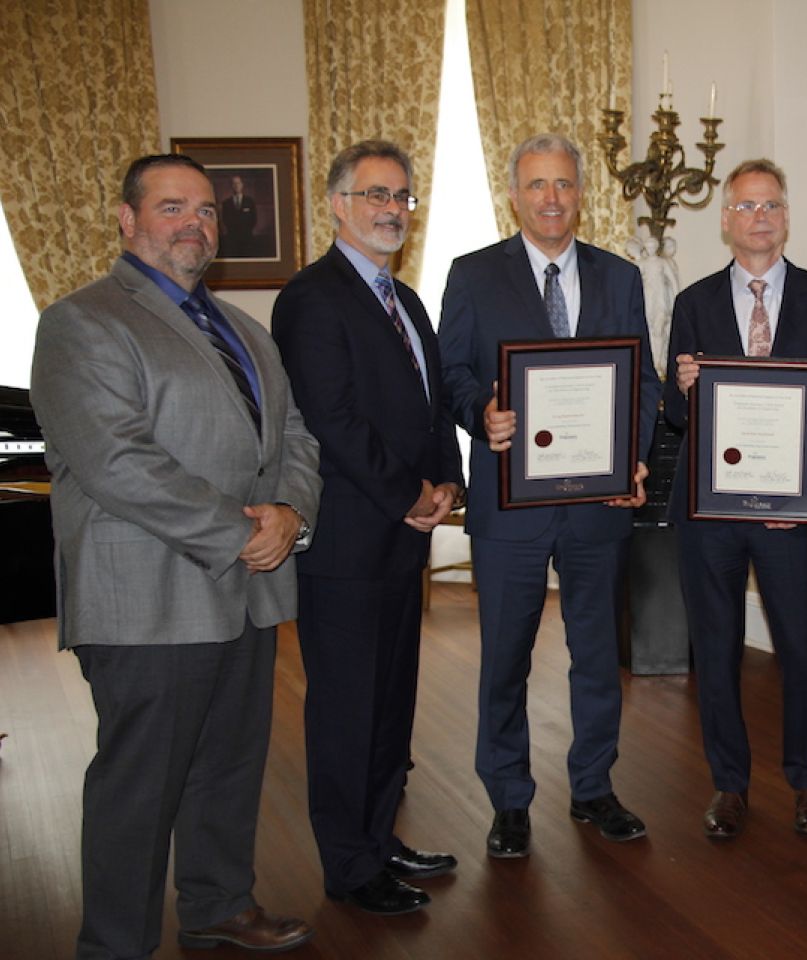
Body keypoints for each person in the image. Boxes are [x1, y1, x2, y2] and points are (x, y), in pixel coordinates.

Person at [30, 154, 321, 958]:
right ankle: (115, 944)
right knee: (139, 786)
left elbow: (295, 438)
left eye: (205, 210)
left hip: (248, 592)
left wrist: (291, 514)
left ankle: (218, 904)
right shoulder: (82, 322)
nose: (194, 222)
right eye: (171, 207)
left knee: (230, 764)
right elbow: (116, 461)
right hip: (148, 598)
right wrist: (241, 531)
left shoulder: (244, 331)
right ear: (127, 219)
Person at [438, 132, 662, 859]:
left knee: (597, 656)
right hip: (510, 506)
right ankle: (508, 799)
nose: (552, 198)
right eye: (537, 184)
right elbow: (450, 373)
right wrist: (482, 413)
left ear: (581, 193)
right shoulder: (473, 275)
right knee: (505, 658)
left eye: (564, 183)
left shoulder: (619, 278)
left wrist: (632, 459)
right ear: (514, 195)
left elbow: (644, 382)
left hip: (598, 505)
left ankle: (594, 787)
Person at [271, 140, 464, 916]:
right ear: (337, 205)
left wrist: (447, 480)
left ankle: (380, 838)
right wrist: (407, 492)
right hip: (348, 545)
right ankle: (349, 867)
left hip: (402, 538)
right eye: (376, 194)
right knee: (347, 712)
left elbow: (432, 407)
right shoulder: (311, 299)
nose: (392, 209)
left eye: (402, 196)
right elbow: (332, 420)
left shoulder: (405, 299)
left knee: (390, 705)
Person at [666, 159, 807, 840]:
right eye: (746, 206)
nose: (759, 217)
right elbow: (674, 415)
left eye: (770, 205)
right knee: (716, 650)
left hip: (789, 514)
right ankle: (729, 785)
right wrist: (683, 389)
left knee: (801, 645)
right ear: (726, 220)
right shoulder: (693, 303)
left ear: (786, 217)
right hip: (709, 512)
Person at [219, 174, 258, 258]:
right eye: (234, 183)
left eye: (238, 183)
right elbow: (225, 220)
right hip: (232, 239)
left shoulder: (249, 201)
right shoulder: (226, 203)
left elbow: (254, 219)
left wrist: (245, 231)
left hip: (247, 239)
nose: (236, 185)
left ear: (242, 185)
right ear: (231, 186)